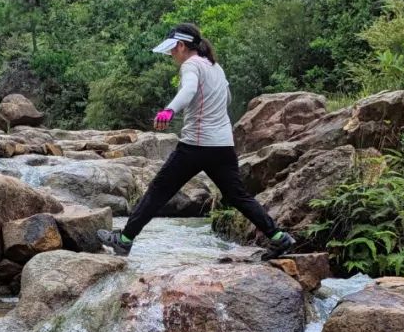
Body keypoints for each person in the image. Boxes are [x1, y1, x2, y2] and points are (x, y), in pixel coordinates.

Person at [98, 23, 297, 258]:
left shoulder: (191, 65)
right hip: (222, 145)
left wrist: (169, 110)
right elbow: (227, 97)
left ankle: (124, 239)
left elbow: (189, 90)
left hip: (195, 146)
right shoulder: (216, 67)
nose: (171, 54)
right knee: (237, 195)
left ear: (182, 46)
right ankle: (278, 237)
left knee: (158, 191)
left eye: (173, 49)